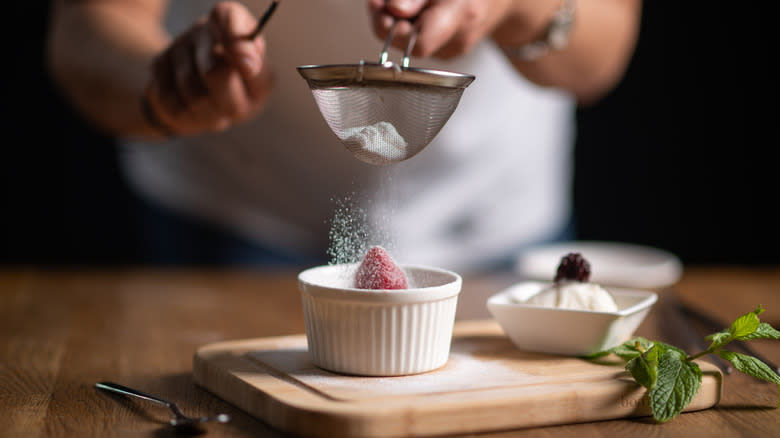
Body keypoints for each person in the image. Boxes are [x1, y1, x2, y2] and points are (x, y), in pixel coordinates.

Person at [46, 0, 641, 272]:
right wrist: (167, 87)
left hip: (497, 235)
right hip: (233, 229)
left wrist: (517, 8)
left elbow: (604, 52)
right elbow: (86, 27)